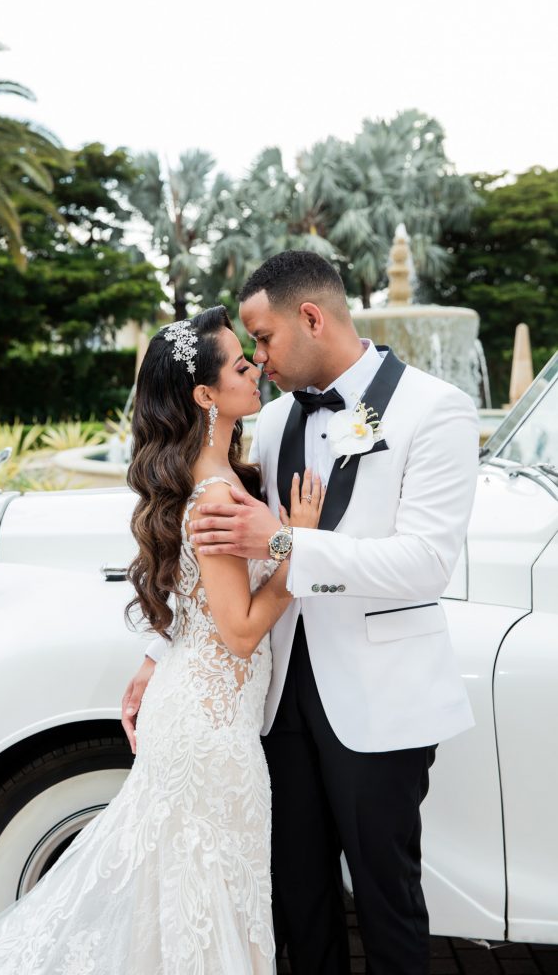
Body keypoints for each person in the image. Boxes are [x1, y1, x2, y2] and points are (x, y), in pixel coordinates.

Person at [0, 305, 323, 975]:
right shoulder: (217, 496)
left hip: (192, 711)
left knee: (177, 904)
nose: (256, 372)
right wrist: (298, 550)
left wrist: (153, 659)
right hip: (213, 734)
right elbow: (243, 630)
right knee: (210, 904)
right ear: (205, 394)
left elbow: (188, 606)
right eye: (242, 365)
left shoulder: (205, 479)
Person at [124, 251, 480, 975]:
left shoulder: (434, 408)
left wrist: (290, 543)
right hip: (277, 702)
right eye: (249, 348)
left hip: (379, 701)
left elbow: (426, 562)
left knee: (388, 903)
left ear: (311, 317)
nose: (259, 358)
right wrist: (162, 654)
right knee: (299, 904)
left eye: (263, 339)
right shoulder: (278, 419)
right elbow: (216, 556)